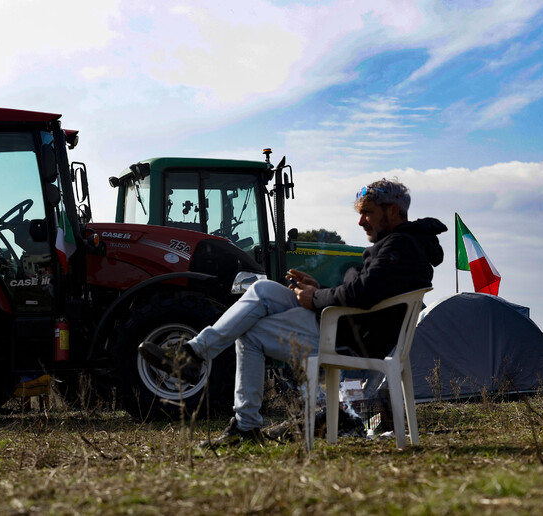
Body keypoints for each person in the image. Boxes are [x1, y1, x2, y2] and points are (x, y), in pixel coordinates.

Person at [139, 178, 446, 447]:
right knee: (261, 290)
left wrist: (316, 298)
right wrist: (320, 289)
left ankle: (244, 425)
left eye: (368, 213)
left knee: (252, 333)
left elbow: (362, 294)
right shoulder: (405, 246)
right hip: (345, 324)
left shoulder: (399, 247)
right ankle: (192, 353)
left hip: (349, 336)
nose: (361, 221)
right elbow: (368, 291)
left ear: (394, 212)